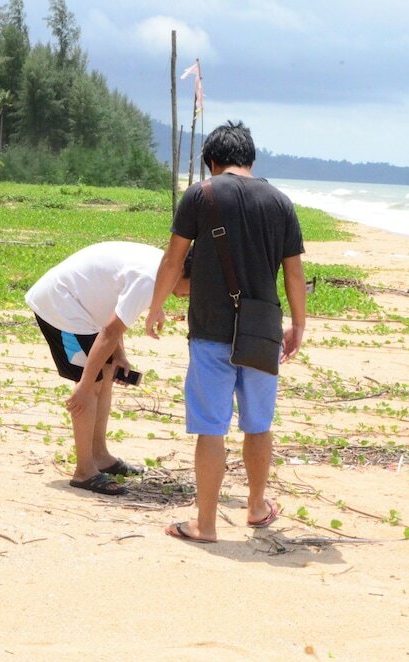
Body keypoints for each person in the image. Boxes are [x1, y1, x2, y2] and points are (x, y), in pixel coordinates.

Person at [145, 121, 306, 542]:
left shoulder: (202, 194)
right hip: (262, 331)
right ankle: (256, 506)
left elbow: (172, 260)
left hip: (211, 330)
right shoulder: (281, 202)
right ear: (250, 158)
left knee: (211, 427)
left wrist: (156, 307)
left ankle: (208, 524)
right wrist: (299, 325)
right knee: (258, 424)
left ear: (211, 161)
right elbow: (294, 272)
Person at [26, 241, 191, 495]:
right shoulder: (149, 280)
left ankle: (100, 456)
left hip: (83, 308)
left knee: (105, 373)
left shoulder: (161, 268)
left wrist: (119, 356)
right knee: (90, 384)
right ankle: (84, 471)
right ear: (182, 272)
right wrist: (83, 384)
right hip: (61, 306)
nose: (189, 295)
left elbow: (113, 312)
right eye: (194, 286)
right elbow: (110, 329)